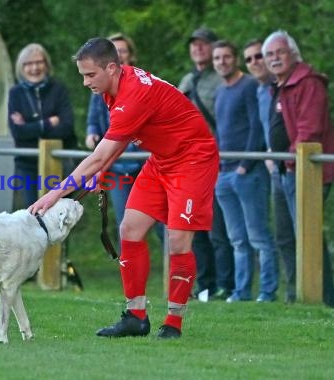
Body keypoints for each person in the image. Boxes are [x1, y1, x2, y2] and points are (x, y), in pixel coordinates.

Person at [29, 37, 219, 339]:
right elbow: (118, 142)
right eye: (82, 75)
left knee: (179, 240)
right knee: (130, 229)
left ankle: (174, 323)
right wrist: (101, 170)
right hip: (163, 160)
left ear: (113, 68)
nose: (85, 82)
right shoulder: (114, 87)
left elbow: (100, 154)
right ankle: (135, 317)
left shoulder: (133, 95)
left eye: (90, 75)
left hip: (193, 159)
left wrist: (54, 193)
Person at [262, 30, 334, 307]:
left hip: (304, 171)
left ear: (293, 54)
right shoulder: (277, 85)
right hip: (283, 171)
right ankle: (296, 295)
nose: (274, 58)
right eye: (270, 54)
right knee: (285, 236)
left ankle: (323, 296)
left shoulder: (308, 83)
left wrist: (292, 163)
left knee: (308, 234)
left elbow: (309, 131)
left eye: (280, 52)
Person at [212, 40, 278, 303]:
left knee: (258, 236)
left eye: (227, 57)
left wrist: (244, 166)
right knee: (237, 239)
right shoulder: (220, 91)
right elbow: (219, 130)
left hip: (248, 173)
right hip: (223, 173)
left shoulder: (249, 85)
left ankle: (267, 292)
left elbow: (256, 127)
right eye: (217, 58)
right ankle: (241, 292)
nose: (221, 62)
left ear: (235, 58)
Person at [178, 27, 234, 299]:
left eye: (203, 44)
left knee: (219, 228)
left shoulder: (221, 81)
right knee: (193, 226)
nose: (198, 48)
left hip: (215, 160)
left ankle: (226, 285)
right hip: (189, 163)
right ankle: (205, 284)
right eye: (194, 44)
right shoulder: (188, 79)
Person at [243, 38, 296, 304]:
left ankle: (307, 292)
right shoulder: (260, 91)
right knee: (281, 234)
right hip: (273, 167)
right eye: (250, 59)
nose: (255, 62)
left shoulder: (284, 87)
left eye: (258, 57)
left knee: (296, 232)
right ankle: (291, 293)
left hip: (291, 166)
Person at [8, 43, 77, 210]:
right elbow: (17, 132)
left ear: (46, 64)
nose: (34, 68)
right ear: (21, 67)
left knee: (59, 214)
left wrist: (30, 127)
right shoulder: (16, 93)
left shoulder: (58, 89)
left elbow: (67, 127)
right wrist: (47, 123)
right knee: (32, 213)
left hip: (59, 162)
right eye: (28, 64)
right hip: (28, 163)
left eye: (39, 62)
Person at [85, 33, 142, 230]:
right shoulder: (101, 85)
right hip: (117, 166)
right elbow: (93, 119)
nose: (118, 56)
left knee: (160, 221)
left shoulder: (141, 83)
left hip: (145, 163)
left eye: (123, 51)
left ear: (131, 55)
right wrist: (91, 135)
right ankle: (127, 261)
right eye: (114, 52)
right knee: (124, 223)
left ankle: (168, 260)